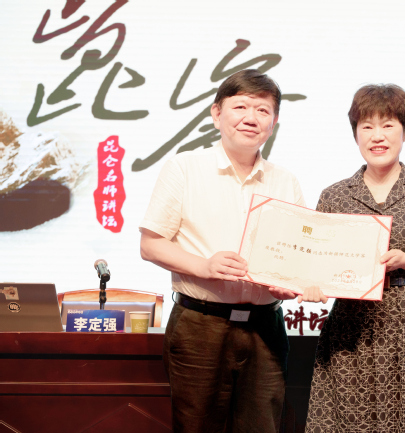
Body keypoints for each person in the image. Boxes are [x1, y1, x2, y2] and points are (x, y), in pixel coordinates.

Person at [139, 69, 306, 433]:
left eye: (262, 110)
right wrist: (204, 266)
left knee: (264, 427)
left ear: (274, 122)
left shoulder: (285, 181)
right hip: (200, 324)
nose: (251, 118)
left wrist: (291, 284)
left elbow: (296, 257)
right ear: (217, 113)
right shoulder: (184, 168)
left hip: (266, 327)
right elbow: (150, 245)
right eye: (240, 106)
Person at [303, 84, 405, 432]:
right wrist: (313, 285)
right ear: (355, 134)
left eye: (388, 125)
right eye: (367, 126)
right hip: (350, 328)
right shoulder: (334, 195)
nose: (377, 136)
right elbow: (317, 264)